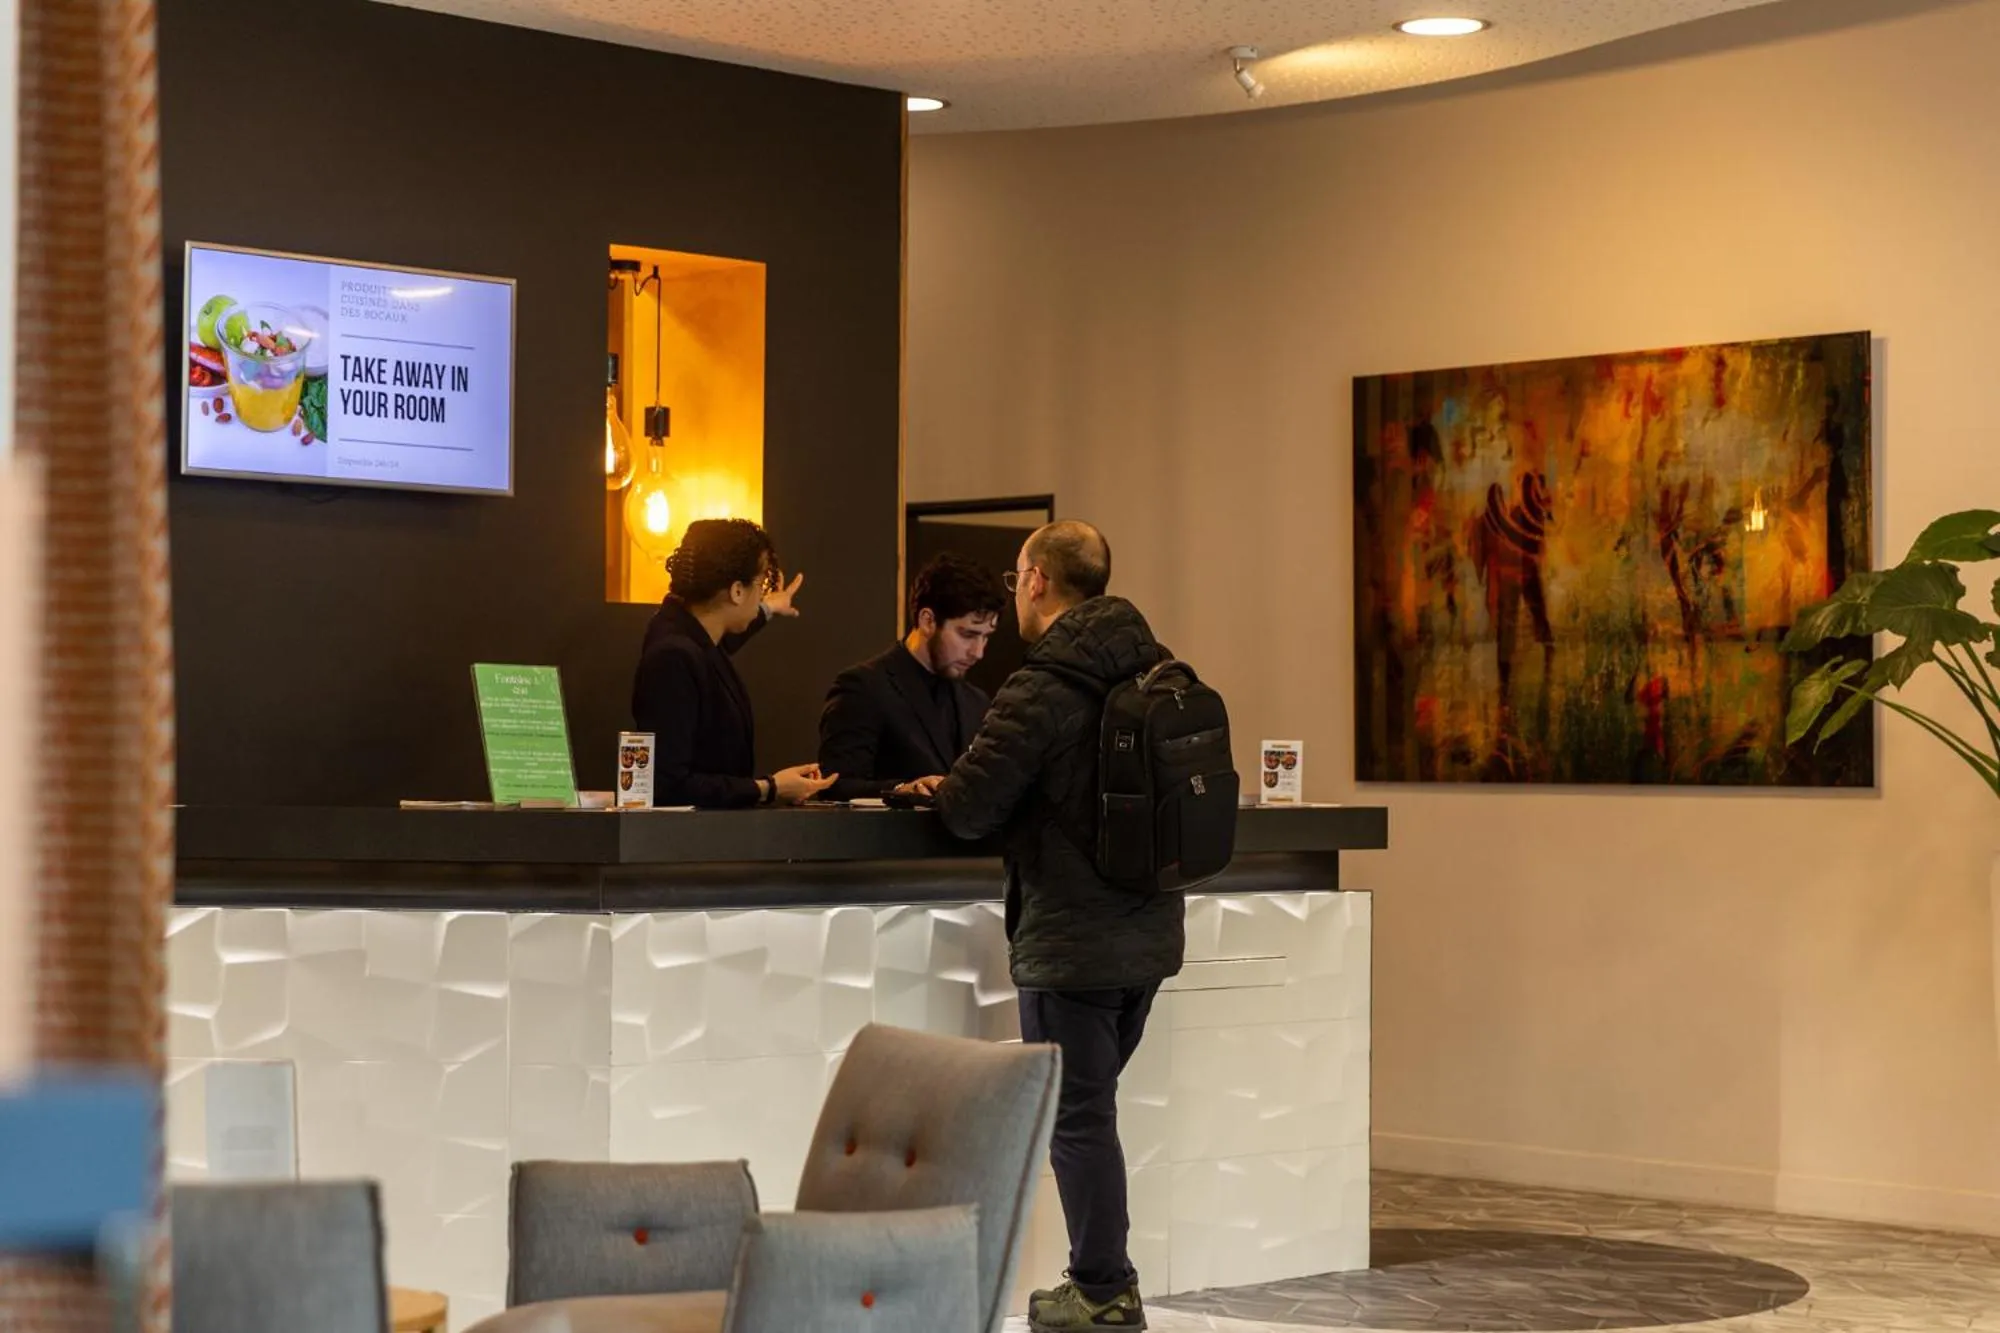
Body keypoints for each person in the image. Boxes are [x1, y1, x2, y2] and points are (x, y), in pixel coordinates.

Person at [906, 520, 1177, 1332]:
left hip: (1071, 942)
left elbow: (967, 808)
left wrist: (944, 788)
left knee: (1078, 1116)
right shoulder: (1157, 667)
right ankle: (1102, 1281)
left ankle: (1103, 1288)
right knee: (1092, 1109)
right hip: (1149, 935)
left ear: (1034, 580)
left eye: (1015, 576)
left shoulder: (1042, 687)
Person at [631, 517, 836, 808]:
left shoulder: (686, 633)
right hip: (696, 835)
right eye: (761, 583)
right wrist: (770, 787)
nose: (763, 593)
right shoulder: (674, 657)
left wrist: (768, 608)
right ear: (737, 591)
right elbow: (669, 784)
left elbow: (721, 642)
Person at [816, 553, 1007, 801]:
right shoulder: (862, 688)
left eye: (986, 637)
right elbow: (835, 787)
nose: (978, 652)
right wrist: (902, 790)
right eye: (967, 635)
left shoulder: (976, 701)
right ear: (927, 621)